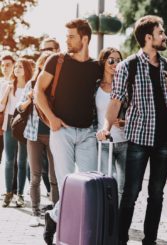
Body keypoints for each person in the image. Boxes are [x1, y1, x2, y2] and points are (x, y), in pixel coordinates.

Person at [97, 15, 167, 245]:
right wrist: (106, 127)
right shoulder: (128, 67)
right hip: (138, 139)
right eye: (161, 32)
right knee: (130, 193)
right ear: (148, 38)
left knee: (156, 195)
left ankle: (150, 241)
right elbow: (115, 102)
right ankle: (120, 240)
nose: (165, 36)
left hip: (165, 140)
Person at [34, 18, 103, 245]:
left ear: (85, 38)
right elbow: (38, 92)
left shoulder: (96, 67)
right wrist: (52, 119)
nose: (67, 40)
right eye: (66, 36)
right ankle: (72, 234)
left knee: (90, 187)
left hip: (87, 134)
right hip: (61, 131)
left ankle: (53, 217)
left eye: (71, 36)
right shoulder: (57, 61)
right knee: (66, 187)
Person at [17, 51, 59, 227]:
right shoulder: (32, 84)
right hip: (33, 135)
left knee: (54, 177)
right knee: (34, 176)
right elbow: (19, 109)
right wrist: (28, 100)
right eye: (44, 64)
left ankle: (57, 213)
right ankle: (35, 212)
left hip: (54, 135)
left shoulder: (59, 85)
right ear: (40, 66)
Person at [0, 58, 33, 208]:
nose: (17, 69)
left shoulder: (30, 86)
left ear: (26, 69)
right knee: (8, 160)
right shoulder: (8, 85)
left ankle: (20, 194)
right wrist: (6, 91)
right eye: (16, 67)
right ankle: (8, 193)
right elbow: (1, 108)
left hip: (24, 123)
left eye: (20, 67)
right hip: (9, 121)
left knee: (22, 161)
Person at [96, 47, 126, 204]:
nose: (115, 63)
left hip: (125, 142)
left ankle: (118, 222)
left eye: (119, 60)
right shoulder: (95, 87)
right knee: (109, 181)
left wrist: (124, 121)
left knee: (123, 186)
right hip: (104, 143)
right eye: (111, 60)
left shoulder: (125, 86)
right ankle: (107, 217)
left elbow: (136, 111)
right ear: (103, 62)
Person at [39, 37, 60, 201]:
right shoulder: (38, 71)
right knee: (43, 167)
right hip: (39, 128)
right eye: (43, 49)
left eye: (49, 49)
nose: (46, 52)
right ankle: (50, 196)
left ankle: (57, 201)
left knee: (56, 168)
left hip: (58, 126)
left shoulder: (62, 70)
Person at [0, 53, 15, 163]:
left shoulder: (19, 83)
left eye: (8, 65)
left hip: (13, 126)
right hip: (1, 126)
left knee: (15, 160)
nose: (5, 68)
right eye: (3, 65)